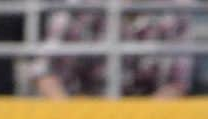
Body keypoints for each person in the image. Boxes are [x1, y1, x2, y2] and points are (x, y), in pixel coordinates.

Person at [29, 0, 192, 99]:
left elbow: (177, 83)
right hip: (82, 114)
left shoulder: (173, 9)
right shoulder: (79, 8)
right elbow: (44, 72)